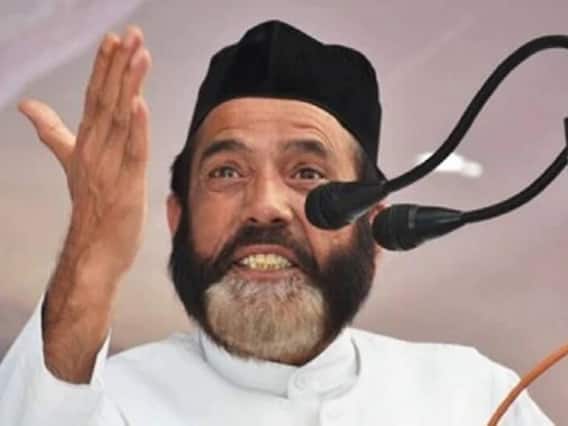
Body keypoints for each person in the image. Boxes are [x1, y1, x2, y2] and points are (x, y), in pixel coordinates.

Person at [0, 19, 554, 425]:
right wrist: (91, 259)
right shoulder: (108, 403)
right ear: (177, 218)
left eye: (308, 173)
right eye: (226, 172)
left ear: (375, 228)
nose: (265, 204)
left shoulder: (473, 397)